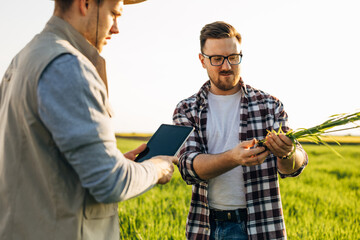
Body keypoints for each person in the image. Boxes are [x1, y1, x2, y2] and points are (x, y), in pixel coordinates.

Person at [0, 0, 178, 240]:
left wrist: (113, 161)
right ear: (85, 3)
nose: (116, 28)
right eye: (114, 13)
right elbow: (110, 182)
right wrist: (156, 168)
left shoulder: (23, 58)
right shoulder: (69, 65)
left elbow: (39, 161)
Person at [173, 21, 308, 240]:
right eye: (217, 59)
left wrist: (288, 153)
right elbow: (189, 167)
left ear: (240, 55)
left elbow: (295, 166)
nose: (226, 66)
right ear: (202, 60)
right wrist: (234, 157)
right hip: (207, 225)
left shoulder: (269, 105)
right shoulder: (187, 109)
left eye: (233, 57)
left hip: (262, 223)